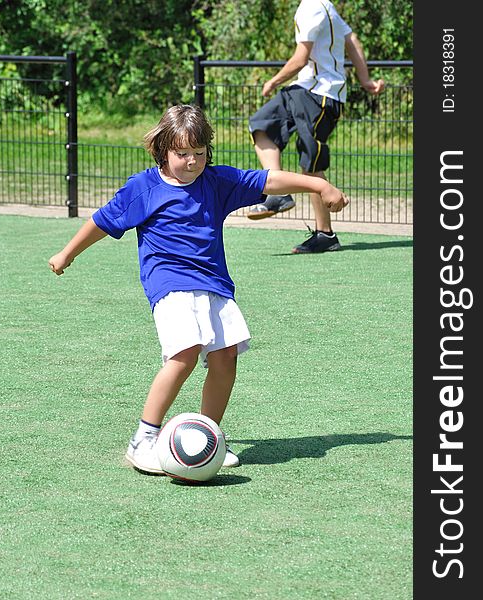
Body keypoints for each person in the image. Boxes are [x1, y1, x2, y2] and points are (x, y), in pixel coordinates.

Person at [48, 104, 348, 475]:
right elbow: (101, 221)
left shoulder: (216, 182)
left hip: (215, 283)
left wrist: (318, 184)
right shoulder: (142, 188)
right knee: (185, 352)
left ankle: (208, 437)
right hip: (169, 282)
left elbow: (267, 180)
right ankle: (143, 438)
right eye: (182, 154)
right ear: (162, 149)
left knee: (225, 358)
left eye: (200, 153)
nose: (192, 161)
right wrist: (67, 253)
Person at [247, 0, 385, 253]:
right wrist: (365, 80)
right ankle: (278, 193)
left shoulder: (312, 7)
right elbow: (352, 40)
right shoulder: (326, 6)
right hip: (305, 91)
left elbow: (300, 59)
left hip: (321, 96)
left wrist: (273, 82)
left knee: (311, 164)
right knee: (261, 125)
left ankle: (325, 234)